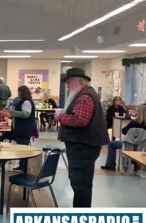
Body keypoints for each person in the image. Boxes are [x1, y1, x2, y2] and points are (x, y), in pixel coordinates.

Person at [56, 68, 109, 207]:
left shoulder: (84, 96)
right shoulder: (85, 94)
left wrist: (60, 117)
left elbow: (80, 120)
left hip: (83, 147)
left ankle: (81, 218)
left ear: (78, 81)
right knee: (81, 183)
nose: (67, 86)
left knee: (81, 185)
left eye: (69, 82)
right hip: (83, 146)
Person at [101, 106, 146, 171]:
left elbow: (124, 131)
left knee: (112, 144)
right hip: (143, 147)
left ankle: (110, 165)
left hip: (128, 146)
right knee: (137, 147)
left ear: (139, 112)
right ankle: (138, 164)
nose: (134, 111)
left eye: (136, 110)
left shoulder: (133, 123)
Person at [4, 85, 36, 172]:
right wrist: (11, 115)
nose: (18, 94)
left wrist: (13, 112)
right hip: (21, 129)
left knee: (23, 149)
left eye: (19, 92)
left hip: (25, 129)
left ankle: (23, 167)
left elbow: (26, 114)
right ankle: (21, 165)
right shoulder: (23, 101)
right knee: (21, 148)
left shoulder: (26, 102)